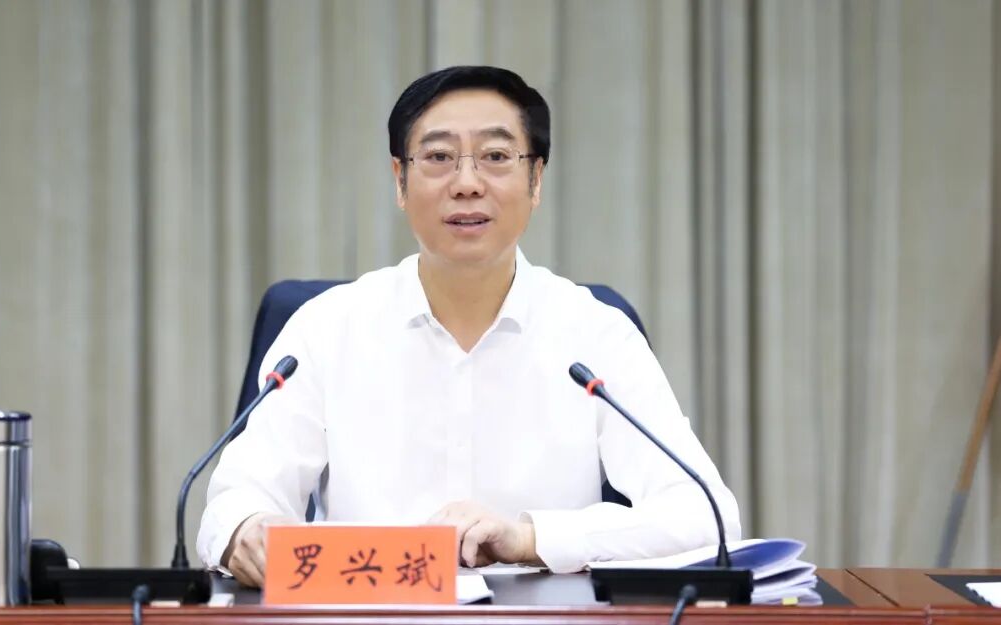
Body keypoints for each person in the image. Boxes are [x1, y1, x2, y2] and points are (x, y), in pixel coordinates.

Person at [197, 65, 740, 588]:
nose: (466, 183)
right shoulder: (325, 329)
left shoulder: (596, 335)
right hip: (369, 615)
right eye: (438, 157)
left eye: (496, 157)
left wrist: (531, 539)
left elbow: (706, 516)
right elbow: (233, 503)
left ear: (536, 179)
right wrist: (246, 530)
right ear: (399, 180)